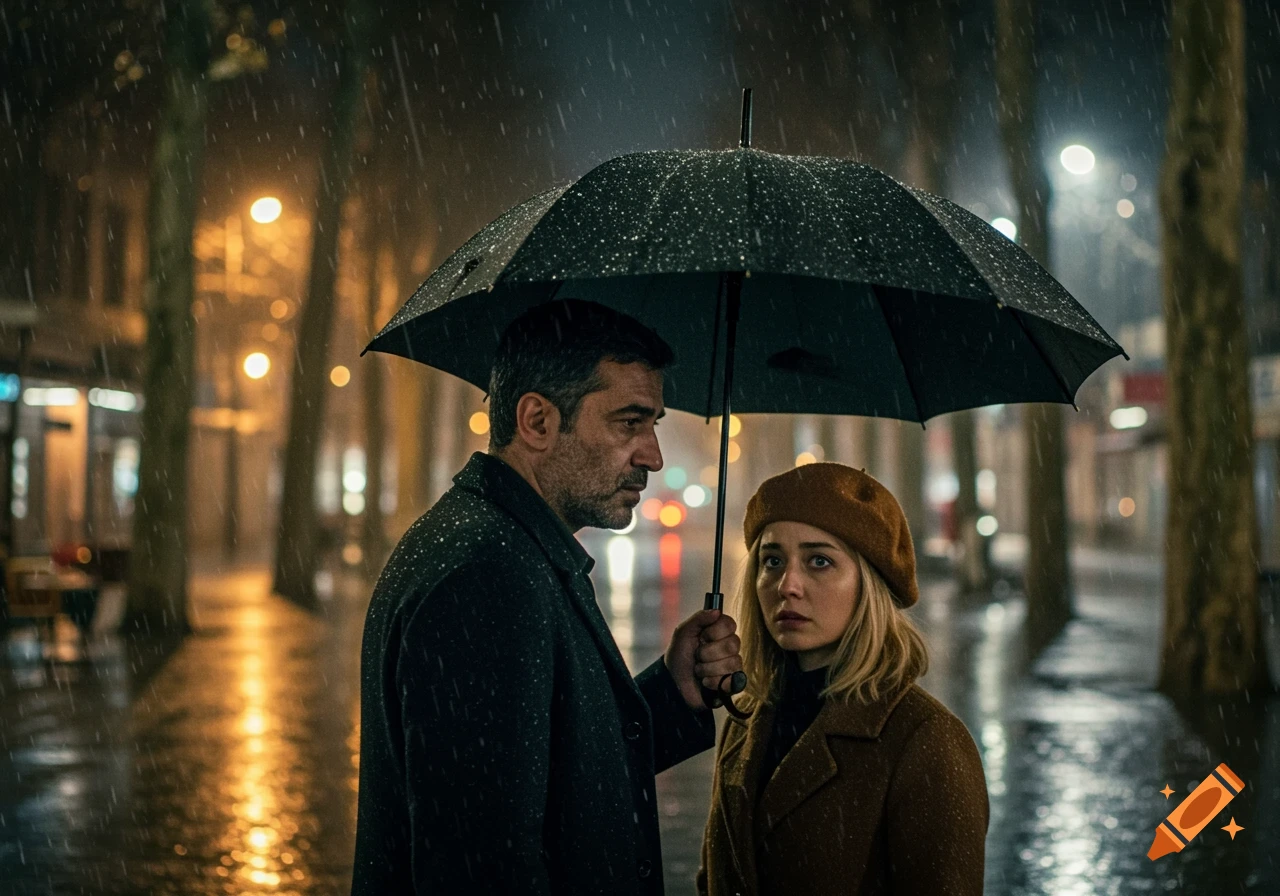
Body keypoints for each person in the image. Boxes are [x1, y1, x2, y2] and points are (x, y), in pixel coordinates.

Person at [353, 299, 744, 895]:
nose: (653, 455)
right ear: (537, 421)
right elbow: (482, 869)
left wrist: (673, 692)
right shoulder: (485, 576)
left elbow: (558, 774)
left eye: (654, 424)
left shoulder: (509, 545)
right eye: (629, 422)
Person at [698, 462, 989, 895]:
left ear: (869, 583)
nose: (787, 585)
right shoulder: (747, 717)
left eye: (819, 561)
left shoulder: (927, 742)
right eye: (772, 560)